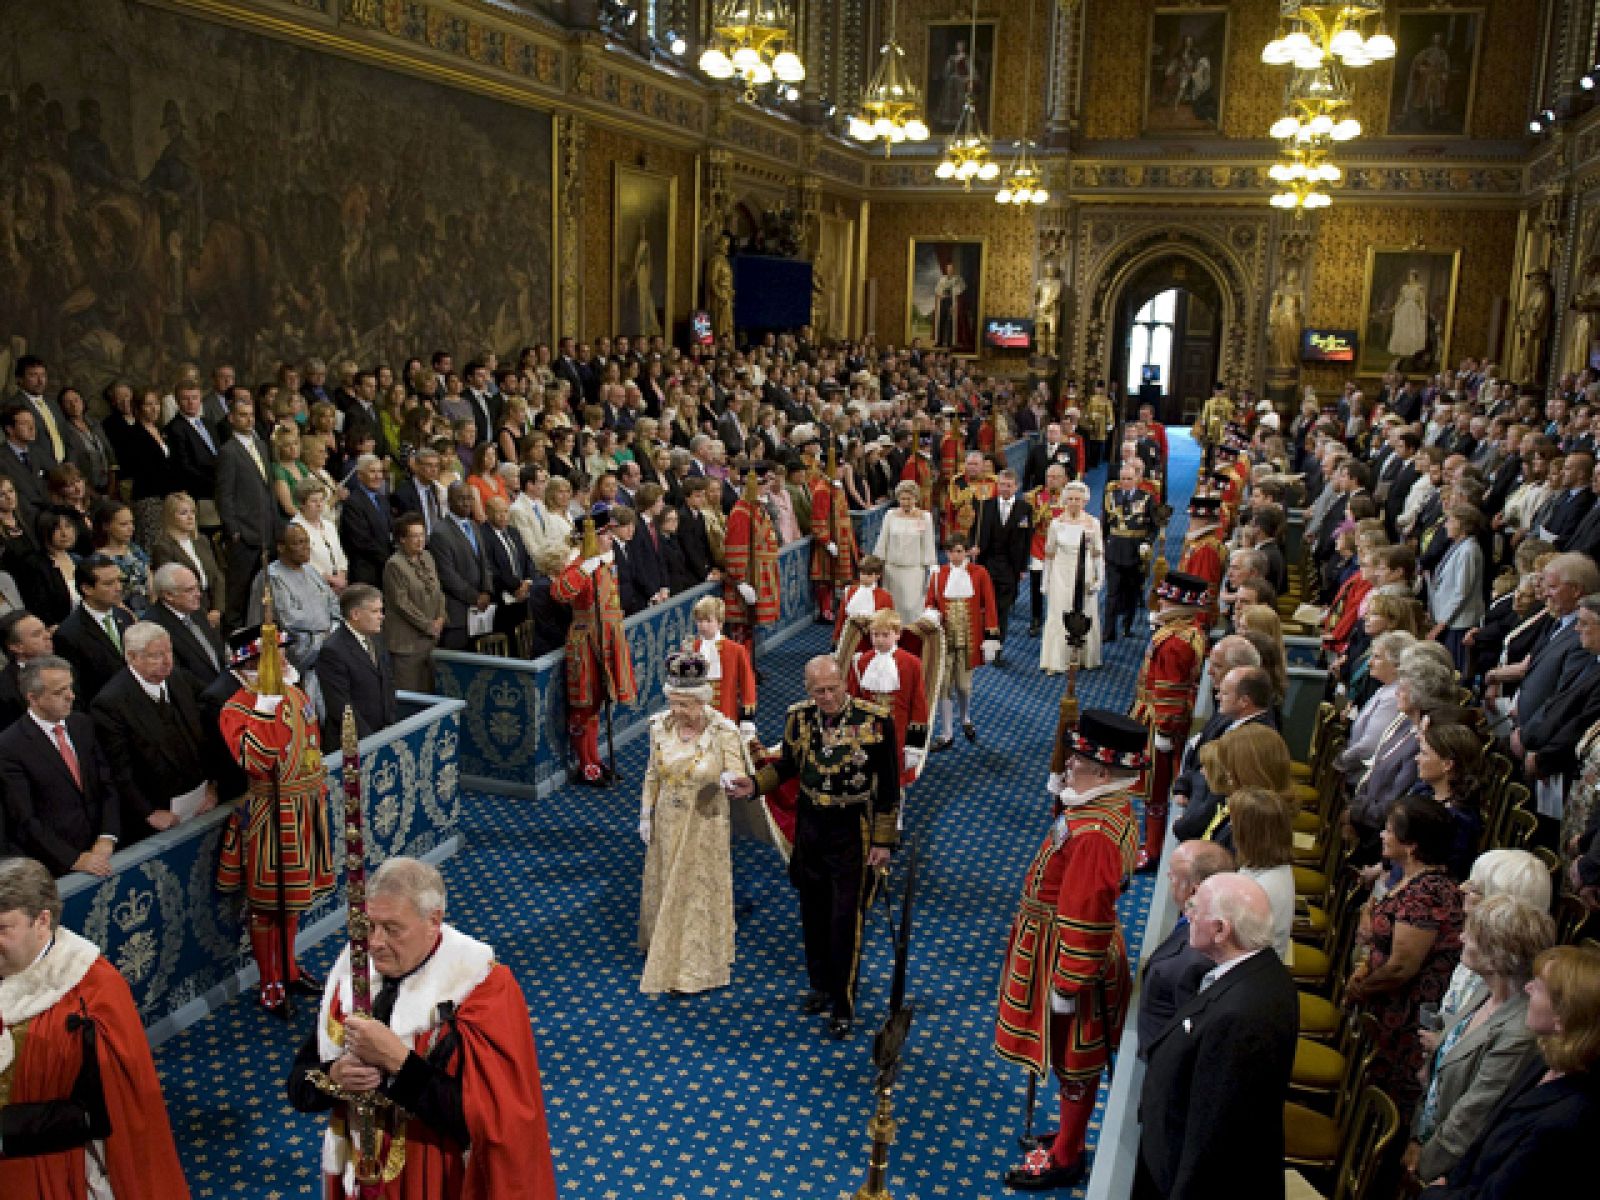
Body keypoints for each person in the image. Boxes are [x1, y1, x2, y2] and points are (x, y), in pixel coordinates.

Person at [285, 856, 557, 1198]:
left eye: (393, 929)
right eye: (369, 926)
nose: (375, 942)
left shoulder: (481, 990)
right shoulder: (351, 976)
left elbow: (486, 1123)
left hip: (436, 1177)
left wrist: (399, 1062)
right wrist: (333, 1077)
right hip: (359, 1170)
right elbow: (298, 1085)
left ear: (434, 921)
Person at [996, 710, 1143, 1190]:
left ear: (1103, 773)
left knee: (1075, 1057)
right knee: (1070, 1056)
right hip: (1060, 944)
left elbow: (1086, 913)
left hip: (1068, 953)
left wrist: (1067, 981)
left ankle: (1065, 1156)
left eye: (1077, 763)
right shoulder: (1100, 809)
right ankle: (1069, 1138)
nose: (1067, 770)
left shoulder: (1095, 833)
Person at [728, 656, 900, 1040]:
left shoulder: (876, 722)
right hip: (810, 830)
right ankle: (820, 985)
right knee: (813, 914)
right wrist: (754, 786)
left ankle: (843, 1005)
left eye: (832, 688)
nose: (826, 697)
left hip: (851, 831)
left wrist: (884, 842)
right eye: (817, 691)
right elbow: (787, 766)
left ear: (844, 683)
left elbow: (888, 788)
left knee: (845, 922)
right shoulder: (798, 718)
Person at [0, 857, 190, 1197]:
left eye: (2, 929)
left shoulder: (91, 995)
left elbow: (101, 1113)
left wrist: (7, 1130)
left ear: (42, 921)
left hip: (58, 1169)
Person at [1134, 873, 1299, 1200]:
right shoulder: (1257, 971)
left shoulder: (1240, 1017)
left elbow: (1213, 1133)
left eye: (1196, 908)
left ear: (1222, 930)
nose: (1188, 914)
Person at [215, 624, 336, 1016]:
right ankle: (270, 982)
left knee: (295, 902)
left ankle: (289, 968)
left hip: (305, 808)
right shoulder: (236, 709)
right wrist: (265, 709)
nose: (284, 659)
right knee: (269, 906)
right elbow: (256, 759)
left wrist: (317, 786)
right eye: (275, 655)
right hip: (271, 815)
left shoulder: (296, 692)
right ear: (252, 664)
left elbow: (312, 742)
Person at [1420, 945, 1600, 1197]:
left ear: (1562, 1016)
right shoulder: (1545, 1060)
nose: (1527, 988)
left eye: (1538, 987)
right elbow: (1486, 1137)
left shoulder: (1566, 1119)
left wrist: (1436, 1195)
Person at [1406, 895, 1555, 1186]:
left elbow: (1472, 1115)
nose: (1461, 936)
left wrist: (1423, 1163)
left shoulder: (1518, 1032)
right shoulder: (1484, 991)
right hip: (1426, 1134)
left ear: (1497, 955)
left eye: (1471, 934)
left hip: (1448, 1170)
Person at [636, 649, 754, 995]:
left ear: (701, 701)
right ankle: (664, 948)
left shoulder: (723, 731)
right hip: (667, 821)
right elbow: (651, 773)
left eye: (685, 704)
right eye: (673, 702)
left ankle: (692, 968)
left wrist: (727, 780)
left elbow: (738, 773)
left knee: (693, 891)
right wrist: (645, 814)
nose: (678, 711)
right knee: (667, 884)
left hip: (704, 823)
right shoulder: (659, 726)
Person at [1346, 794, 1466, 1125]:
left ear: (1411, 845)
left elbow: (1402, 967)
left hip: (1404, 1018)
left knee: (1388, 1101)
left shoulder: (1428, 894)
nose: (1382, 835)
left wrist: (1361, 988)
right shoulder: (1410, 878)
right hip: (1385, 1006)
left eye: (1389, 830)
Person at [89, 622, 216, 843]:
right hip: (158, 814)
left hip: (202, 798)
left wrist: (214, 785)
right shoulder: (110, 703)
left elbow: (209, 733)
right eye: (156, 655)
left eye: (169, 651)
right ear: (131, 657)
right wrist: (148, 813)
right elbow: (119, 770)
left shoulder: (180, 678)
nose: (168, 661)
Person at [0, 657, 121, 877]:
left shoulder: (82, 724)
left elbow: (106, 783)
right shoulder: (9, 746)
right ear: (33, 699)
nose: (71, 696)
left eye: (70, 687)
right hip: (58, 865)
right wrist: (74, 858)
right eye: (59, 692)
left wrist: (107, 836)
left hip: (105, 851)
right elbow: (25, 818)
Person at [545, 506, 639, 785]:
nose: (611, 538)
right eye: (606, 533)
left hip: (607, 637)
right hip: (586, 640)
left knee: (597, 705)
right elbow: (559, 592)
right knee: (584, 706)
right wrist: (584, 570)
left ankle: (595, 760)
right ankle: (585, 764)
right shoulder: (580, 564)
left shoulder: (604, 562)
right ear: (593, 537)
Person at [1132, 570, 1211, 871]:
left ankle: (1154, 850)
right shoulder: (1186, 631)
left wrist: (1164, 728)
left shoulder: (1177, 640)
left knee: (1156, 788)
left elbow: (1170, 689)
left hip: (1162, 723)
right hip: (1163, 718)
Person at [1136, 839, 1235, 1054]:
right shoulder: (1200, 923)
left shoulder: (1199, 957)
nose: (1168, 880)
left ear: (1193, 891)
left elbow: (1189, 1038)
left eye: (1173, 877)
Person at [923, 533, 999, 748]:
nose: (954, 556)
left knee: (964, 687)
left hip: (969, 640)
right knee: (944, 686)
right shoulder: (938, 574)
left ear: (966, 551)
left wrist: (991, 635)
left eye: (958, 551)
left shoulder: (979, 572)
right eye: (950, 551)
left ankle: (965, 718)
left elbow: (990, 604)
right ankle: (947, 733)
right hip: (944, 640)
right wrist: (930, 616)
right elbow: (929, 603)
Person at [845, 609, 928, 784]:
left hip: (900, 731)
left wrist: (914, 745)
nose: (880, 640)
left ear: (897, 634)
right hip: (868, 731)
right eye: (875, 635)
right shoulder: (861, 662)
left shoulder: (912, 663)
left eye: (885, 635)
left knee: (897, 777)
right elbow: (853, 699)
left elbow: (919, 705)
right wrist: (852, 734)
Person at [51, 555, 136, 708]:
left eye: (119, 580)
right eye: (109, 584)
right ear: (87, 589)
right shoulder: (69, 634)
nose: (118, 588)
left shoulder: (124, 616)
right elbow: (77, 689)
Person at [317, 584, 398, 738]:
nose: (382, 616)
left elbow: (388, 683)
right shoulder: (333, 651)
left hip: (383, 732)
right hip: (354, 742)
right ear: (355, 614)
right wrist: (370, 741)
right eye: (375, 611)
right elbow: (341, 706)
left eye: (381, 610)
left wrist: (390, 725)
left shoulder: (377, 637)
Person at [1226, 786, 1296, 964]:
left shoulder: (1259, 890)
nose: (1230, 827)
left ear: (1249, 834)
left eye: (1235, 823)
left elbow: (1231, 947)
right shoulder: (1270, 864)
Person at [1040, 481, 1104, 673]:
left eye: (1078, 499)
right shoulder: (1056, 524)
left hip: (1083, 575)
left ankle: (1083, 658)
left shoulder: (1093, 524)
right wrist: (1046, 581)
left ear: (1085, 501)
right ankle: (1056, 661)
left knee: (1084, 613)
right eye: (1071, 499)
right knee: (1058, 614)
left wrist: (1098, 580)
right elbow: (1049, 555)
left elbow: (1098, 555)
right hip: (1060, 574)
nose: (1074, 503)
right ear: (1064, 500)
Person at [382, 514, 447, 693]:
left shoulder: (428, 557)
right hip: (407, 644)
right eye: (414, 536)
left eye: (422, 535)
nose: (420, 540)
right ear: (402, 539)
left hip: (430, 639)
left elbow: (438, 590)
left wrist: (441, 617)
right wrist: (428, 625)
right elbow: (401, 604)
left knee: (430, 690)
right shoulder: (394, 565)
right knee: (411, 693)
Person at [722, 471, 781, 650]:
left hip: (760, 571)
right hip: (747, 576)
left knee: (750, 628)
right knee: (741, 628)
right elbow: (735, 549)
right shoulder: (740, 512)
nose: (767, 488)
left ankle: (749, 666)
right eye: (764, 484)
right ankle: (743, 669)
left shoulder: (756, 509)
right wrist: (739, 580)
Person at [973, 468, 1030, 645]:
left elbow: (1026, 539)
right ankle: (985, 639)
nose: (1005, 489)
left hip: (1009, 565)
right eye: (1002, 485)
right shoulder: (985, 505)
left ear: (1016, 487)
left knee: (1003, 608)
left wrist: (1022, 567)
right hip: (988, 562)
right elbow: (976, 532)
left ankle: (998, 644)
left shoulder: (1025, 509)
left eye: (1009, 485)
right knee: (986, 605)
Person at [1102, 463, 1157, 643]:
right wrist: (1102, 546)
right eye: (1123, 479)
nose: (1125, 482)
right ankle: (1108, 631)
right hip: (1114, 551)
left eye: (1129, 479)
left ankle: (1127, 625)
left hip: (1135, 552)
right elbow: (1105, 524)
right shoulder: (1111, 496)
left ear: (1137, 480)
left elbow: (1154, 526)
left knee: (1132, 592)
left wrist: (1148, 543)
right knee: (1112, 594)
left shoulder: (1147, 498)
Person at [690, 595, 756, 734]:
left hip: (726, 713)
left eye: (708, 621)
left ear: (720, 623)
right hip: (698, 714)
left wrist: (747, 717)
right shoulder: (693, 647)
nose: (703, 625)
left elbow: (747, 683)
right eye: (699, 621)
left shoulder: (736, 650)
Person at [874, 481, 938, 621]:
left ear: (915, 498)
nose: (905, 502)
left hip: (914, 570)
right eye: (902, 498)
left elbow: (928, 543)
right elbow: (882, 540)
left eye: (909, 498)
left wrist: (932, 566)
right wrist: (877, 564)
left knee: (911, 607)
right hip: (891, 569)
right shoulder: (890, 515)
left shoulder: (925, 517)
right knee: (891, 607)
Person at [833, 554, 895, 642]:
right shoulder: (850, 591)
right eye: (862, 573)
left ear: (877, 576)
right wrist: (836, 638)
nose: (864, 577)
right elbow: (841, 617)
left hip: (872, 640)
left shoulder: (885, 597)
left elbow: (889, 624)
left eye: (869, 575)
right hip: (849, 637)